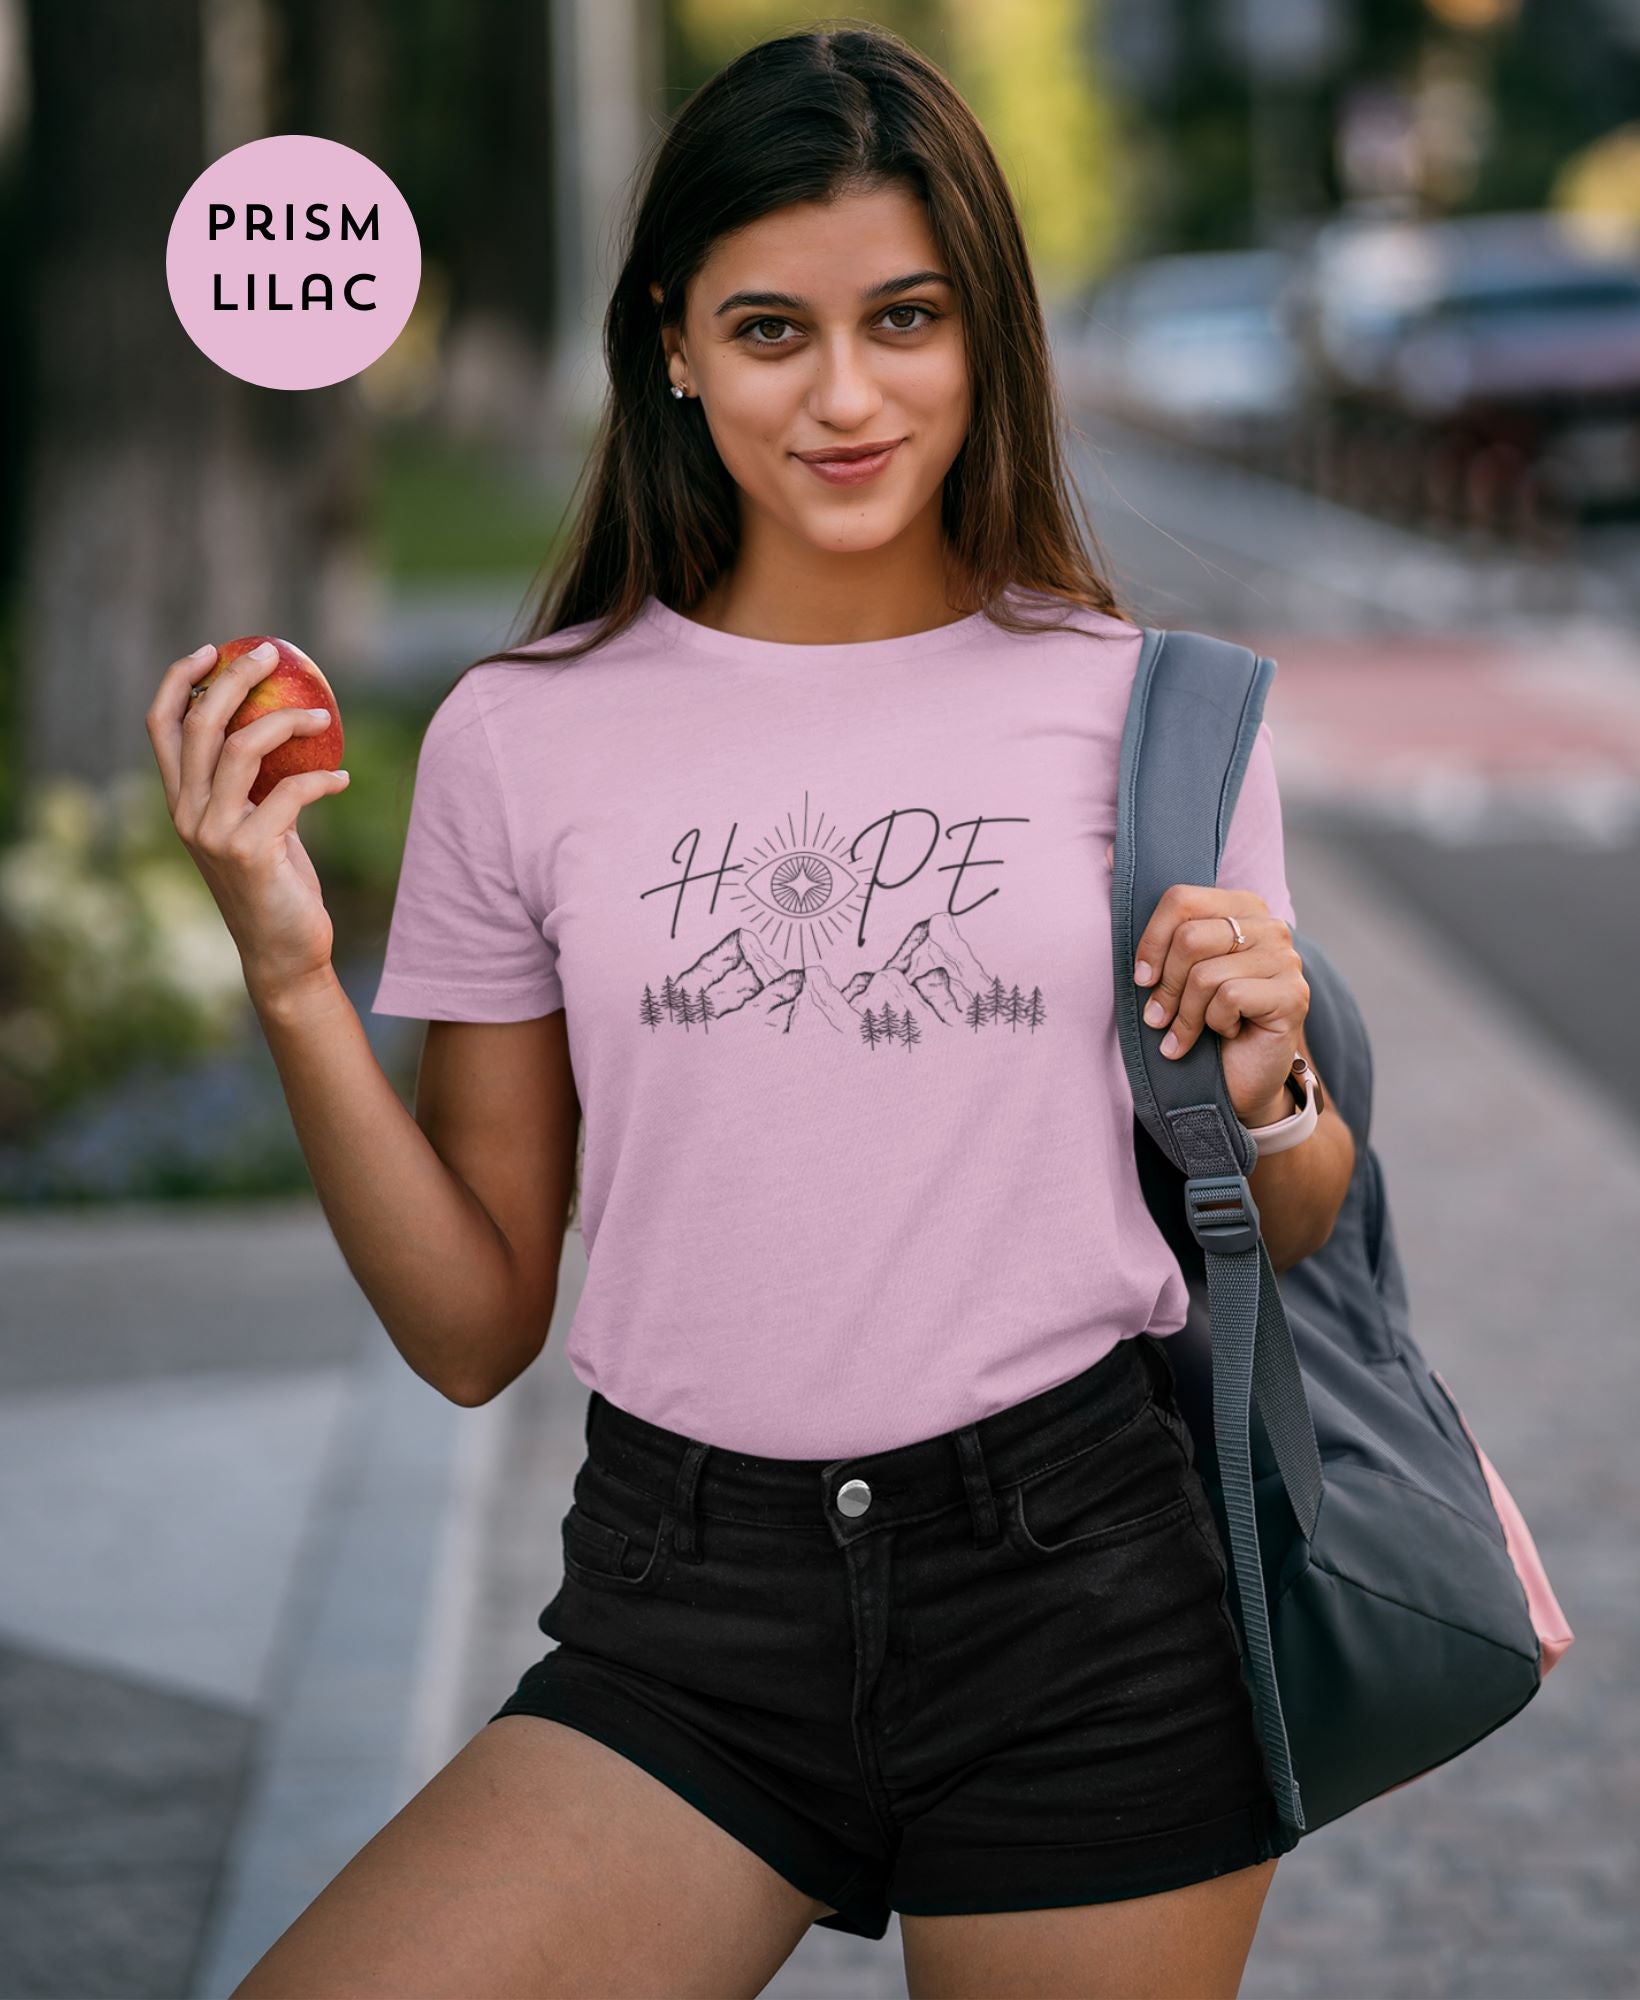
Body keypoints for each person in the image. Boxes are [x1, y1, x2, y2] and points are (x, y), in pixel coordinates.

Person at [149, 22, 1355, 1999]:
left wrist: (1274, 1080)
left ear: (984, 335)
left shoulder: (1155, 709)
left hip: (1086, 1592)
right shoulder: (522, 740)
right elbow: (471, 1330)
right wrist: (292, 977)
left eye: (906, 317)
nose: (849, 392)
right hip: (684, 1604)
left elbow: (1282, 1212)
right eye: (772, 329)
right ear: (675, 345)